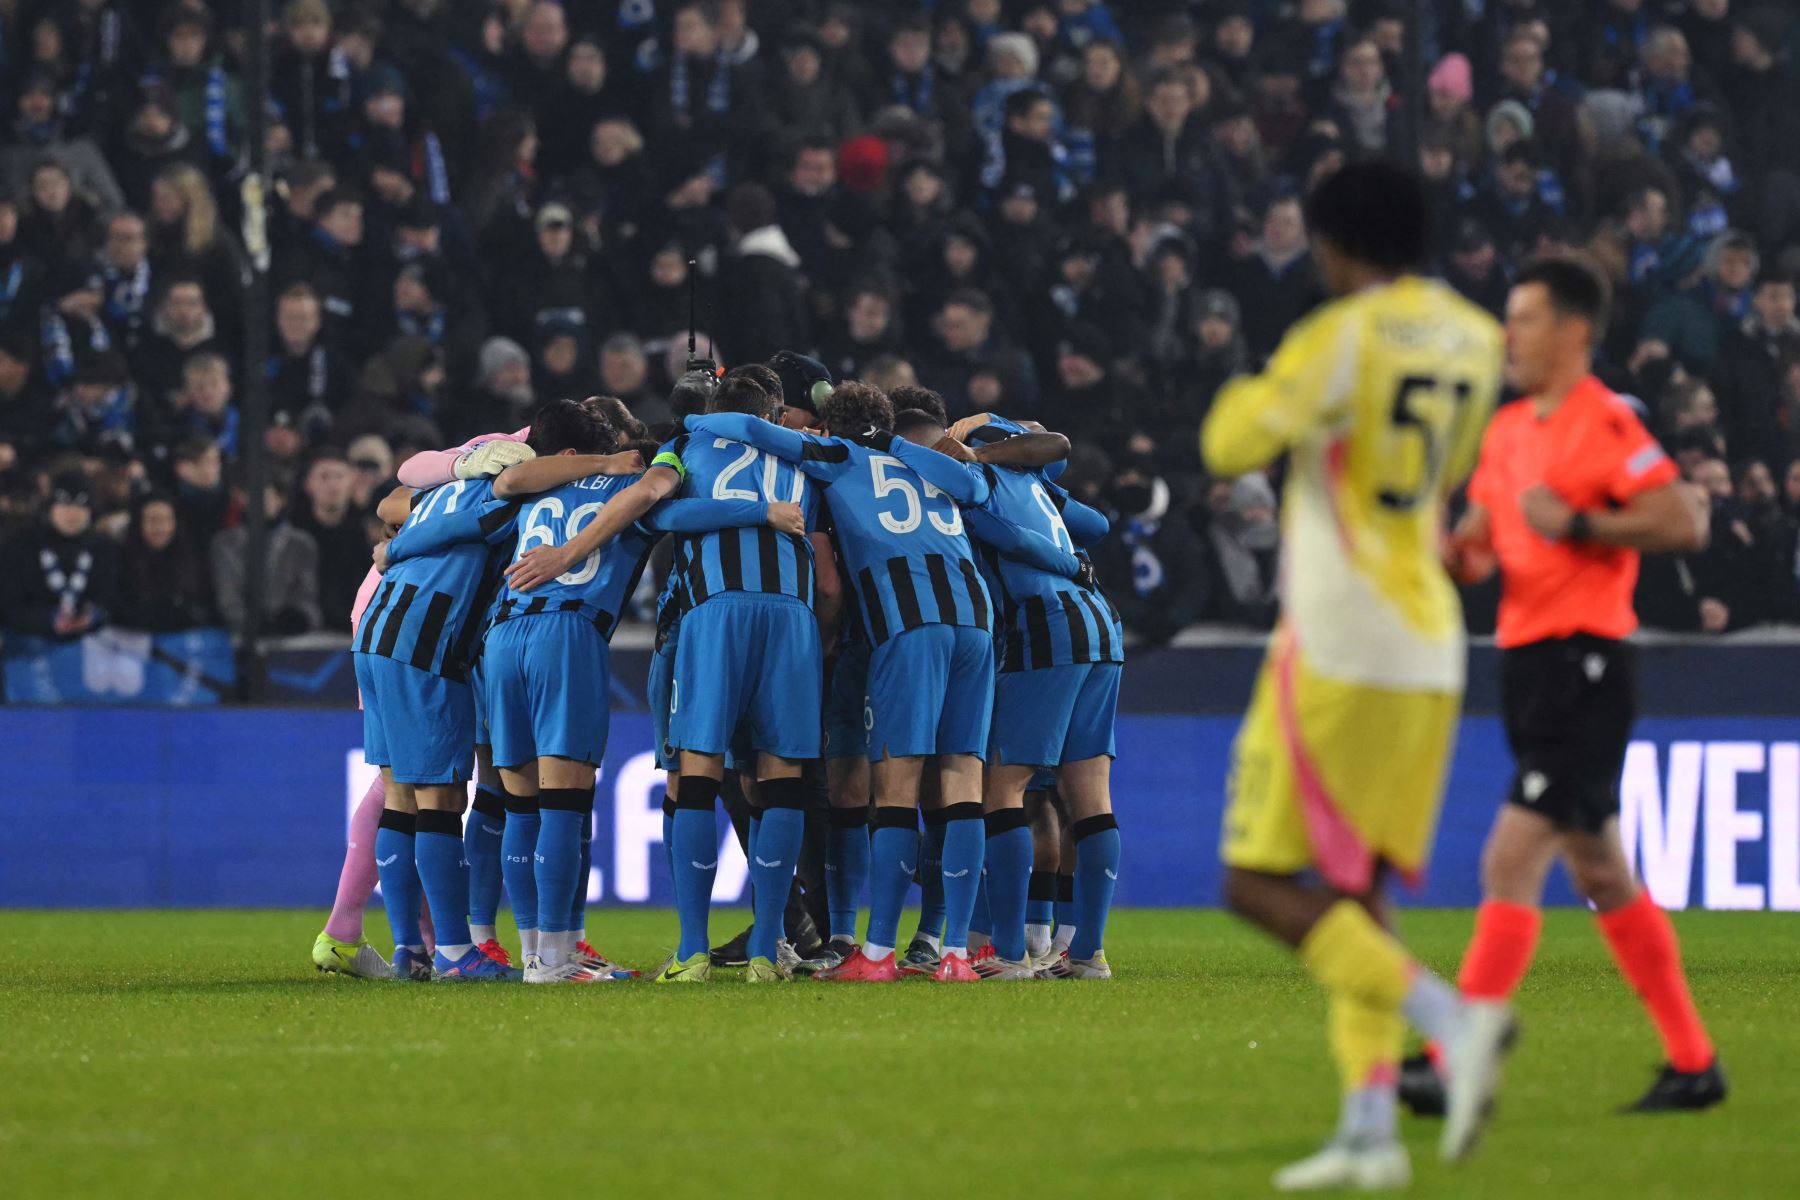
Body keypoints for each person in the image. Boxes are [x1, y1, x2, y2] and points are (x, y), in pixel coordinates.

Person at [1201, 160, 1506, 1190]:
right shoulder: (1477, 334)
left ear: (1335, 245)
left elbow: (1228, 440)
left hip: (1338, 642)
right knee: (1356, 895)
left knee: (1252, 879)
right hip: (1431, 642)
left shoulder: (1341, 335)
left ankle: (1449, 1019)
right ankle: (1370, 1129)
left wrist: (1258, 382)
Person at [1438, 255, 1727, 1114]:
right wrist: (1458, 553)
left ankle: (1451, 1058)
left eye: (1524, 319)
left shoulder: (1602, 419)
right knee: (1601, 869)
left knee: (1511, 855)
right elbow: (1483, 546)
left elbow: (1686, 518)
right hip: (1527, 662)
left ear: (1573, 331)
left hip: (1587, 663)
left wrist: (1585, 523)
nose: (1508, 335)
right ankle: (1693, 1063)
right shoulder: (1506, 431)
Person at [686, 382, 998, 984]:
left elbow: (755, 432)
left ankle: (877, 951)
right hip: (975, 619)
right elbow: (977, 487)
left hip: (909, 621)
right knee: (962, 779)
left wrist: (700, 422)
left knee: (897, 787)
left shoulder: (838, 457)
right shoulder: (929, 462)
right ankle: (955, 951)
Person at [483, 398, 800, 983]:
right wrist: (762, 513)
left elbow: (508, 479)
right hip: (567, 631)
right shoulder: (628, 494)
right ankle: (553, 961)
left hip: (502, 637)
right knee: (564, 803)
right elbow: (682, 517)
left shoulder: (539, 489)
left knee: (521, 805)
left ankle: (537, 951)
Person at [930, 410, 1124, 981]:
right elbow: (1097, 525)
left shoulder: (977, 482)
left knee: (1002, 785)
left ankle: (1011, 952)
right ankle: (1088, 952)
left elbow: (1000, 531)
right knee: (1089, 794)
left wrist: (963, 443)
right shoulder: (1040, 488)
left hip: (1046, 627)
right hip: (1102, 625)